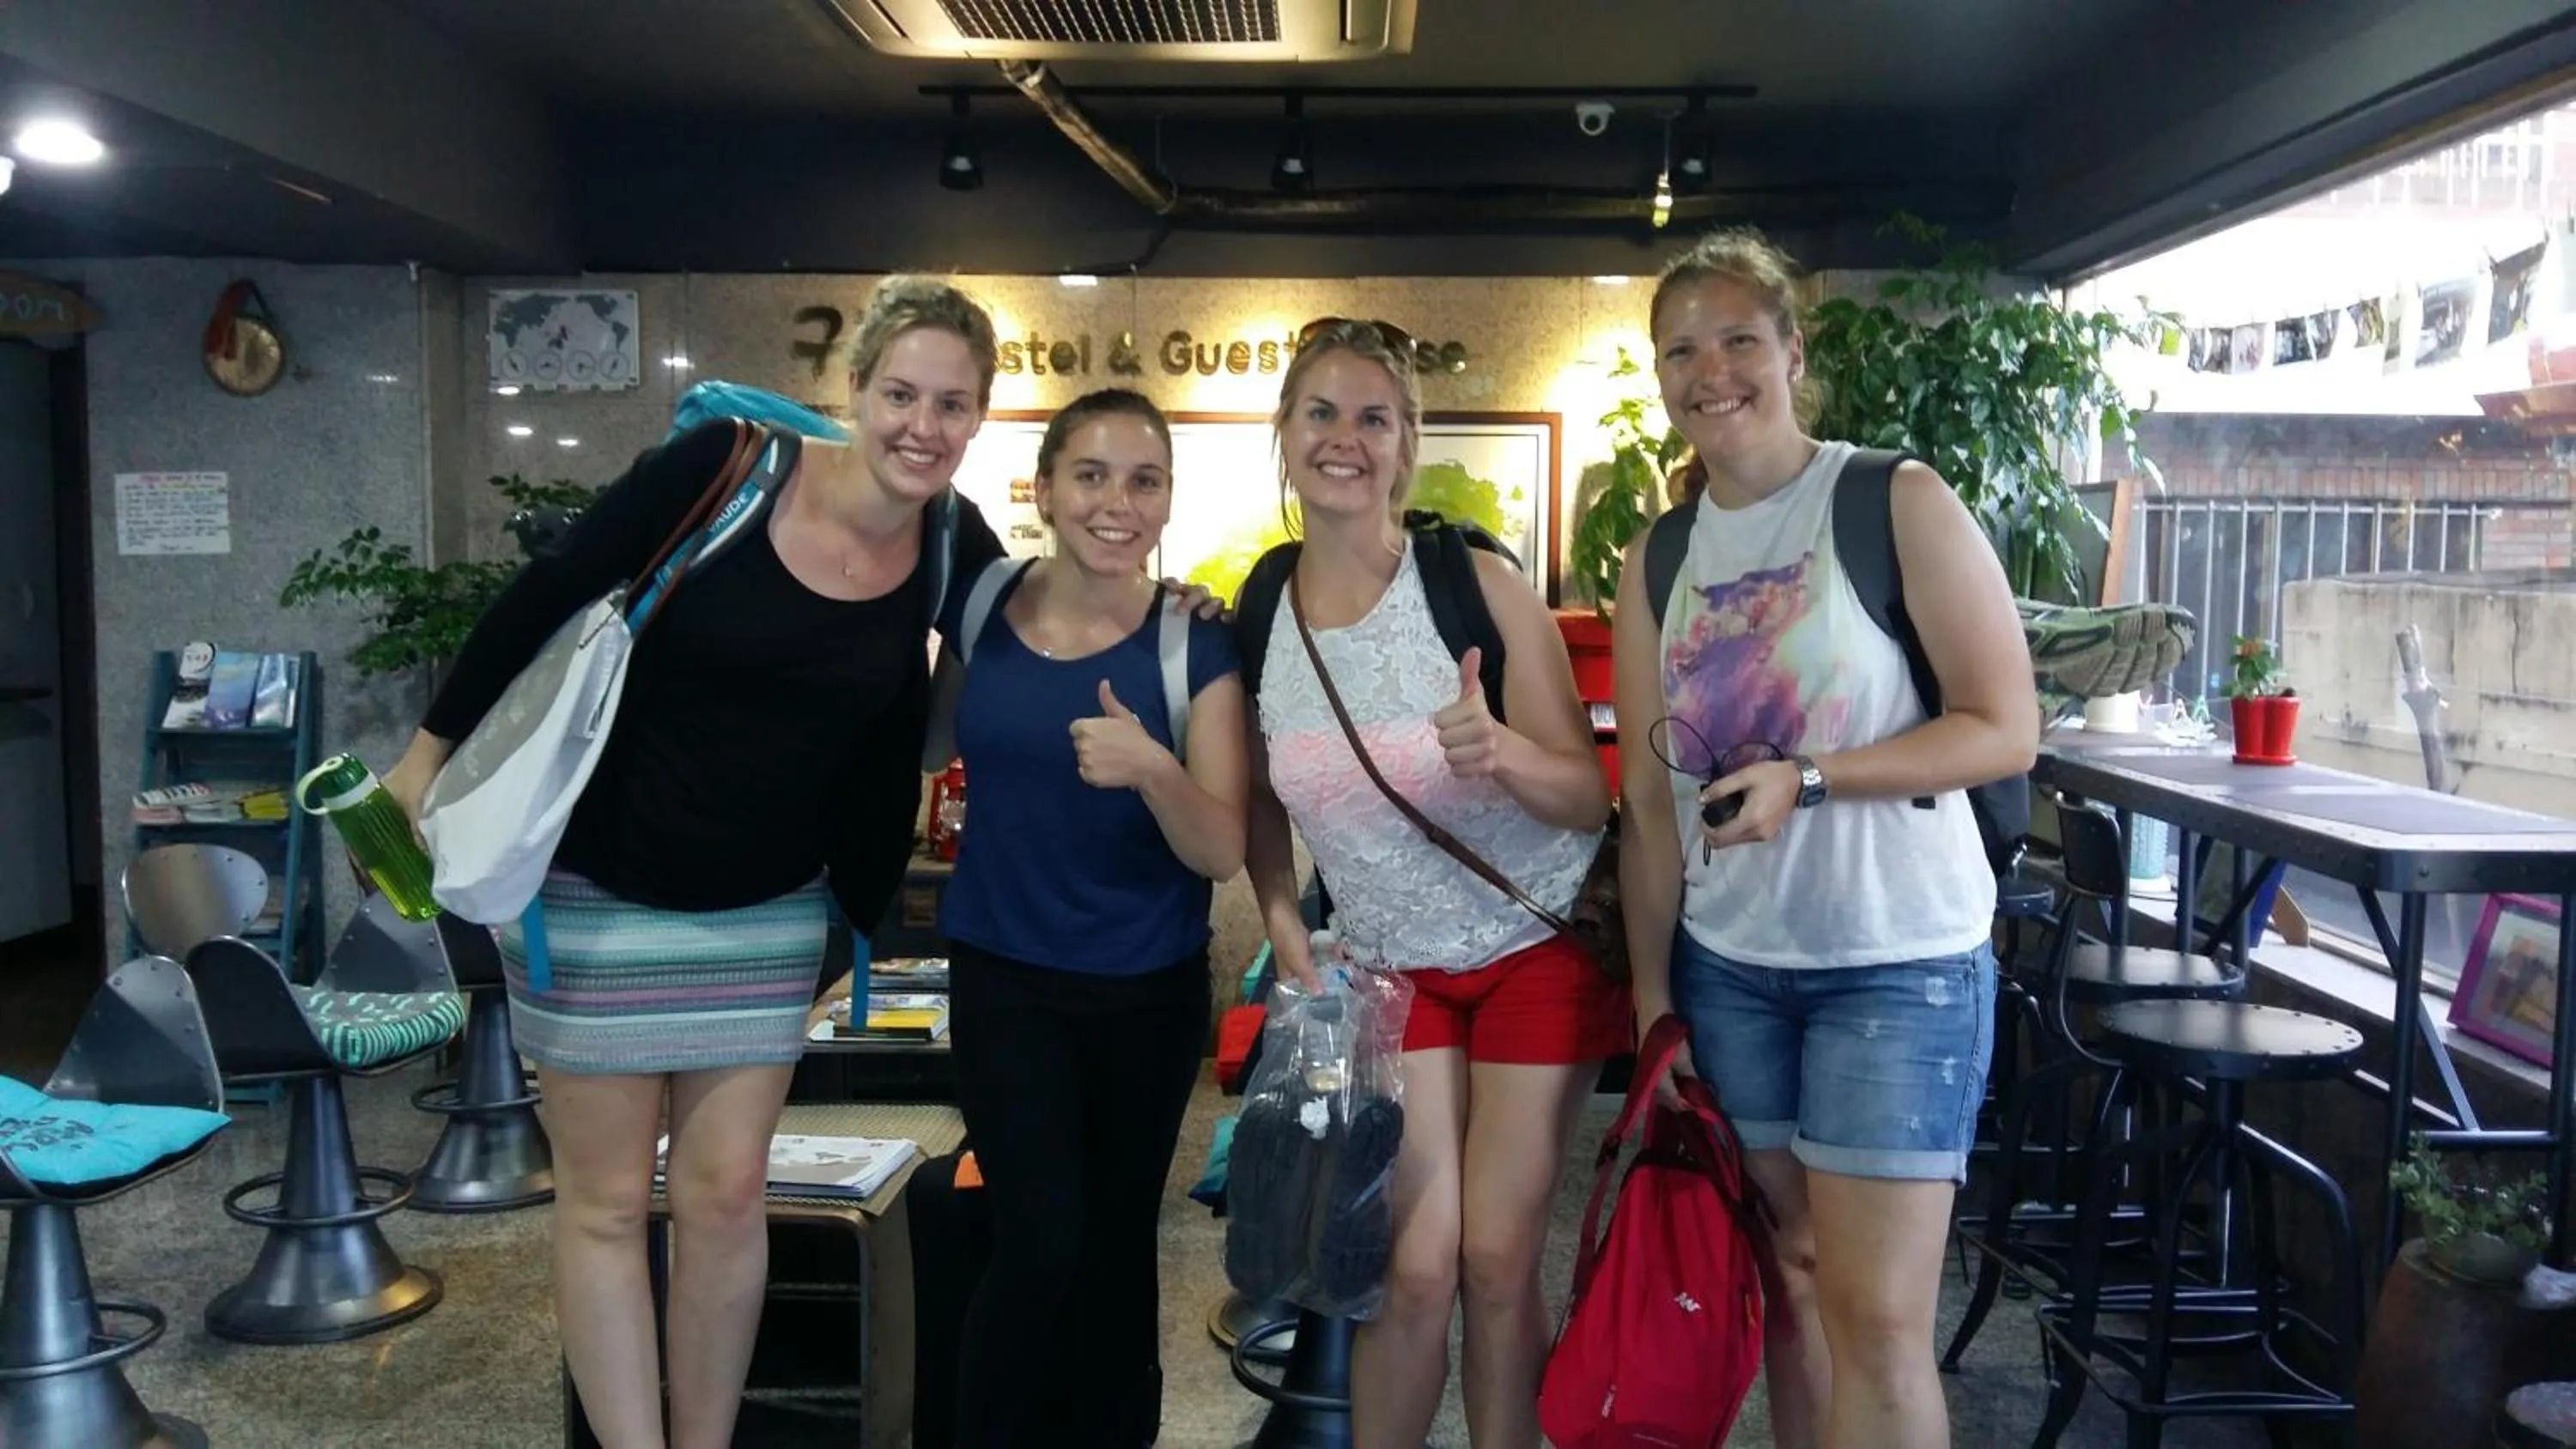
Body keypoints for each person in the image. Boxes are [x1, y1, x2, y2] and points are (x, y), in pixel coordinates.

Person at [378, 276, 1014, 1449]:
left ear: (978, 418)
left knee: (725, 1199)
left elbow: (1037, 628)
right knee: (612, 1204)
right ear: (855, 392)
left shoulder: (952, 541)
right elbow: (549, 592)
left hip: (770, 908)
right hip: (598, 887)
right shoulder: (730, 465)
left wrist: (1163, 605)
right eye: (901, 394)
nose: (924, 426)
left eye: (954, 405)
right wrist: (423, 760)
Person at [1610, 227, 2038, 1449]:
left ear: (1792, 350)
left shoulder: (1891, 497)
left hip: (1896, 963)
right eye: (1681, 348)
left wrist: (1813, 775)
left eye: (1740, 338)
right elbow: (1649, 807)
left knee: (1878, 1323)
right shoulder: (1662, 556)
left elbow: (2006, 730)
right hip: (1733, 971)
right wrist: (1651, 999)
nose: (1712, 370)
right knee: (1785, 1289)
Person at [1242, 318, 1625, 1449]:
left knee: (1497, 1259)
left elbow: (1585, 800)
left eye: (1374, 417)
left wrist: (1501, 752)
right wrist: (1279, 915)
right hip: (1387, 975)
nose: (1345, 439)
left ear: (1407, 445)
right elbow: (1261, 807)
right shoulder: (1258, 608)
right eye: (1322, 413)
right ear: (1287, 437)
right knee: (1414, 1268)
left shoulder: (1474, 582)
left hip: (1531, 948)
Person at [935, 388, 1249, 1448]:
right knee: (1038, 1239)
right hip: (1002, 975)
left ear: (1166, 500)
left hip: (1145, 990)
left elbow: (1220, 845)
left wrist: (1154, 768)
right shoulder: (980, 605)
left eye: (1144, 480)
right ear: (1042, 488)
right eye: (1092, 475)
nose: (1118, 502)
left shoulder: (1193, 642)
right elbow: (929, 746)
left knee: (1116, 1244)